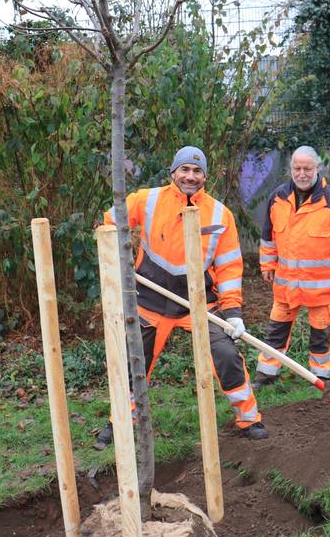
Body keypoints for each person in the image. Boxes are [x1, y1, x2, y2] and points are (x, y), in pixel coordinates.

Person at [94, 146, 267, 449]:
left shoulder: (220, 215)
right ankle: (119, 422)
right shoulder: (147, 200)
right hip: (150, 300)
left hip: (198, 305)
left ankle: (249, 418)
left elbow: (228, 268)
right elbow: (108, 224)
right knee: (134, 360)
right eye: (184, 169)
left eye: (197, 171)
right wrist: (116, 255)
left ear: (205, 177)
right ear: (173, 172)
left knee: (226, 355)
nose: (190, 176)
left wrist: (233, 313)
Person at [254, 145, 330, 388]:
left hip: (322, 288)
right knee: (276, 331)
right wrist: (267, 264)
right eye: (297, 168)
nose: (302, 174)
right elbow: (268, 236)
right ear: (290, 169)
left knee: (321, 336)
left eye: (307, 169)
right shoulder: (278, 198)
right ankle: (266, 376)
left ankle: (322, 378)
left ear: (317, 169)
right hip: (286, 284)